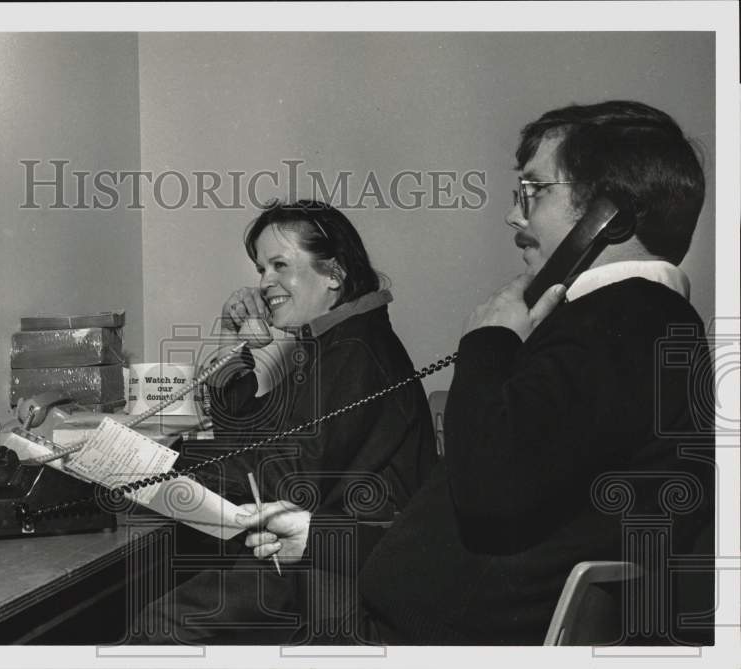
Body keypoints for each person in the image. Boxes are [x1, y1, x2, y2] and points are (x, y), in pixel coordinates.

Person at [240, 101, 715, 645]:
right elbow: (495, 534)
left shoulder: (625, 321)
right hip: (408, 619)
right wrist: (316, 537)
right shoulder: (629, 328)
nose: (515, 216)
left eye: (533, 191)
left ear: (610, 216)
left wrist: (488, 339)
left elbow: (489, 492)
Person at [130, 200, 437, 644]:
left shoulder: (354, 353)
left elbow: (285, 476)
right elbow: (254, 440)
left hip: (343, 579)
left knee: (160, 625)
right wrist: (235, 343)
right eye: (260, 268)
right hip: (322, 561)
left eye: (279, 265)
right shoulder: (334, 344)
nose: (264, 282)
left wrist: (164, 461)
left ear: (334, 274)